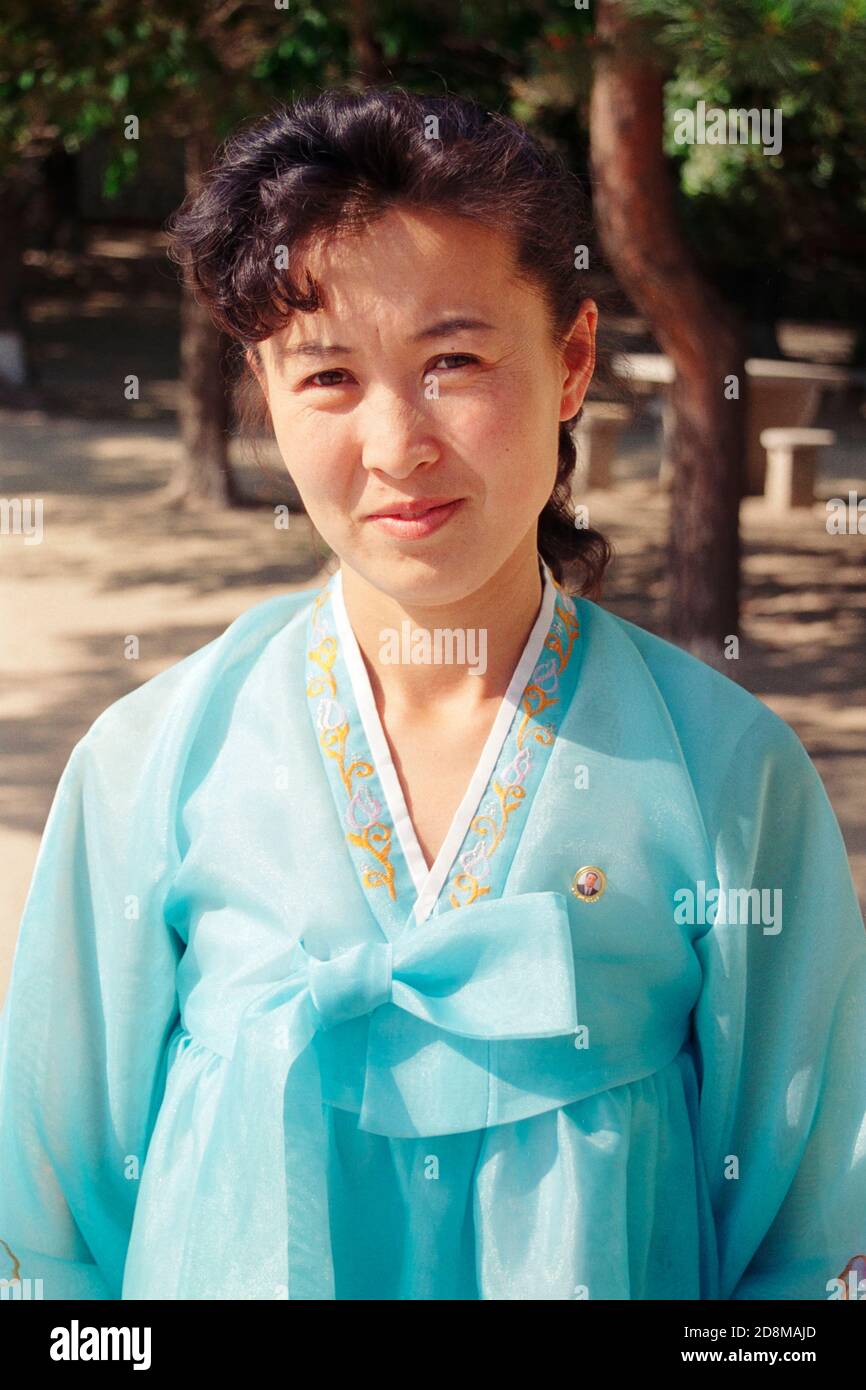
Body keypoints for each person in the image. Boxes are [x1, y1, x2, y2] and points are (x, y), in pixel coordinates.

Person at [1, 86, 865, 1302]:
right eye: (328, 377)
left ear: (570, 360)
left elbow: (800, 1236)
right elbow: (52, 1238)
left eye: (453, 359)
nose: (398, 442)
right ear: (261, 387)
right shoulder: (152, 764)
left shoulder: (728, 772)